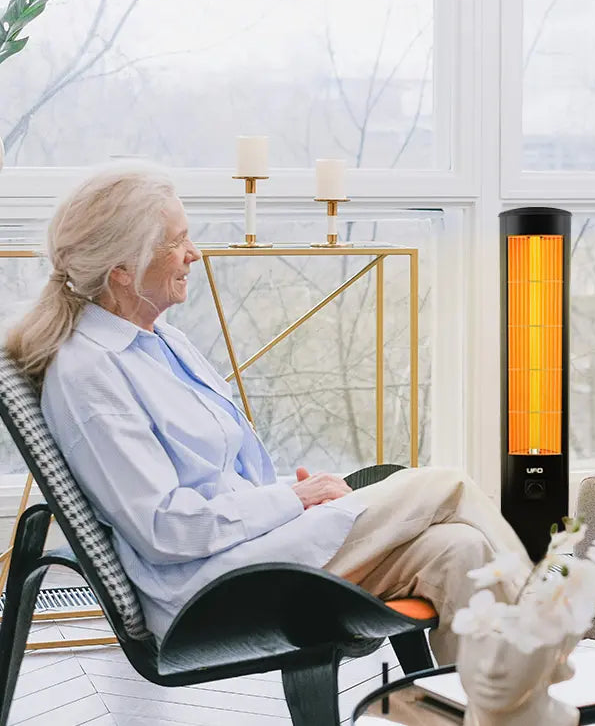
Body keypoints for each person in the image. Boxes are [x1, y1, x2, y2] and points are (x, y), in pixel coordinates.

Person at [4, 164, 530, 663]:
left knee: (458, 549)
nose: (194, 253)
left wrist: (288, 501)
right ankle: (555, 611)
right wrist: (292, 498)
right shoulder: (88, 373)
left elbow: (223, 474)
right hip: (213, 587)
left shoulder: (163, 340)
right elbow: (165, 530)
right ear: (121, 269)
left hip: (258, 548)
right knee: (447, 485)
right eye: (176, 241)